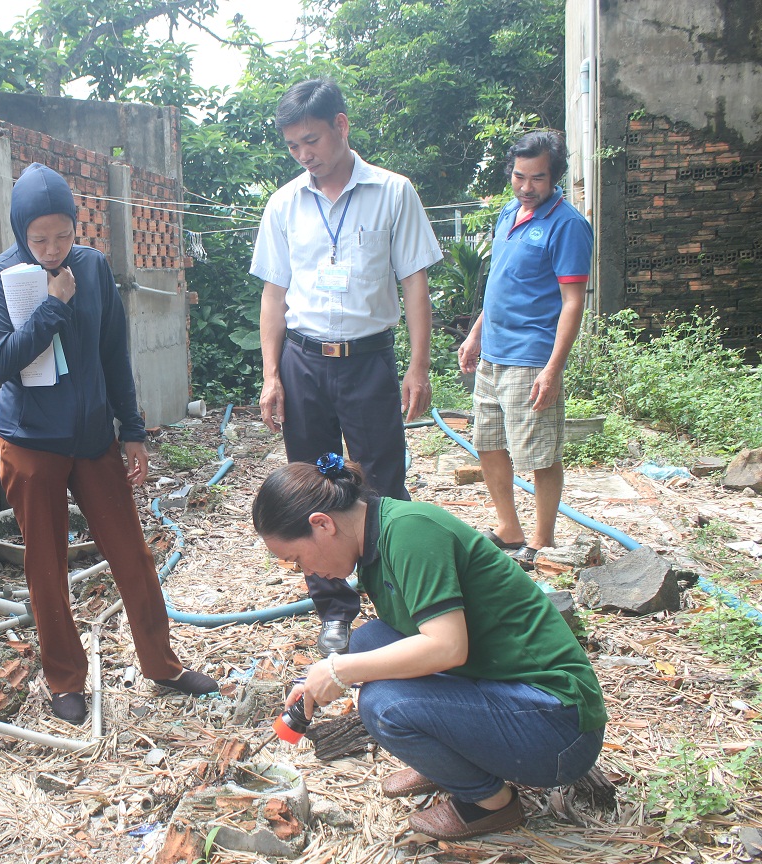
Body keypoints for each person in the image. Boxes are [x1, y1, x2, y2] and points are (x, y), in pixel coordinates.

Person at [0, 163, 218, 724]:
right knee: (46, 564)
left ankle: (163, 664)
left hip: (92, 441)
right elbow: (1, 362)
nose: (53, 248)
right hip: (31, 444)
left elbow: (115, 354)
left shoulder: (93, 266)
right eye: (39, 238)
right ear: (20, 231)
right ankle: (64, 679)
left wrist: (131, 430)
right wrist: (53, 305)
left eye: (62, 234)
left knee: (132, 553)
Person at [252, 456, 606, 841]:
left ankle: (491, 804)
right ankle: (451, 757)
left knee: (384, 706)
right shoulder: (375, 538)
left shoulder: (410, 533)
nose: (307, 572)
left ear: (323, 524)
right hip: (508, 689)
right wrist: (323, 676)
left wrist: (339, 671)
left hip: (558, 727)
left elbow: (447, 648)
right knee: (369, 640)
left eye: (297, 559)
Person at [250, 78, 444, 656]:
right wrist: (271, 373)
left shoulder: (392, 192)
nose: (304, 155)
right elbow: (272, 295)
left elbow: (414, 284)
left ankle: (400, 600)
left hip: (367, 361)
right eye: (293, 147)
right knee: (309, 486)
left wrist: (419, 367)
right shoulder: (284, 203)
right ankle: (333, 609)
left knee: (380, 480)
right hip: (304, 360)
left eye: (311, 140)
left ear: (341, 126)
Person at [458, 130, 593, 570]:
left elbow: (573, 301)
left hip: (531, 356)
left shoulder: (567, 225)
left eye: (537, 178)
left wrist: (553, 368)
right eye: (519, 176)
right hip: (493, 354)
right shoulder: (507, 214)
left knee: (538, 453)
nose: (526, 186)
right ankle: (509, 527)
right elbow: (499, 284)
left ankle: (543, 537)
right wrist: (476, 334)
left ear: (554, 176)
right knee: (489, 444)